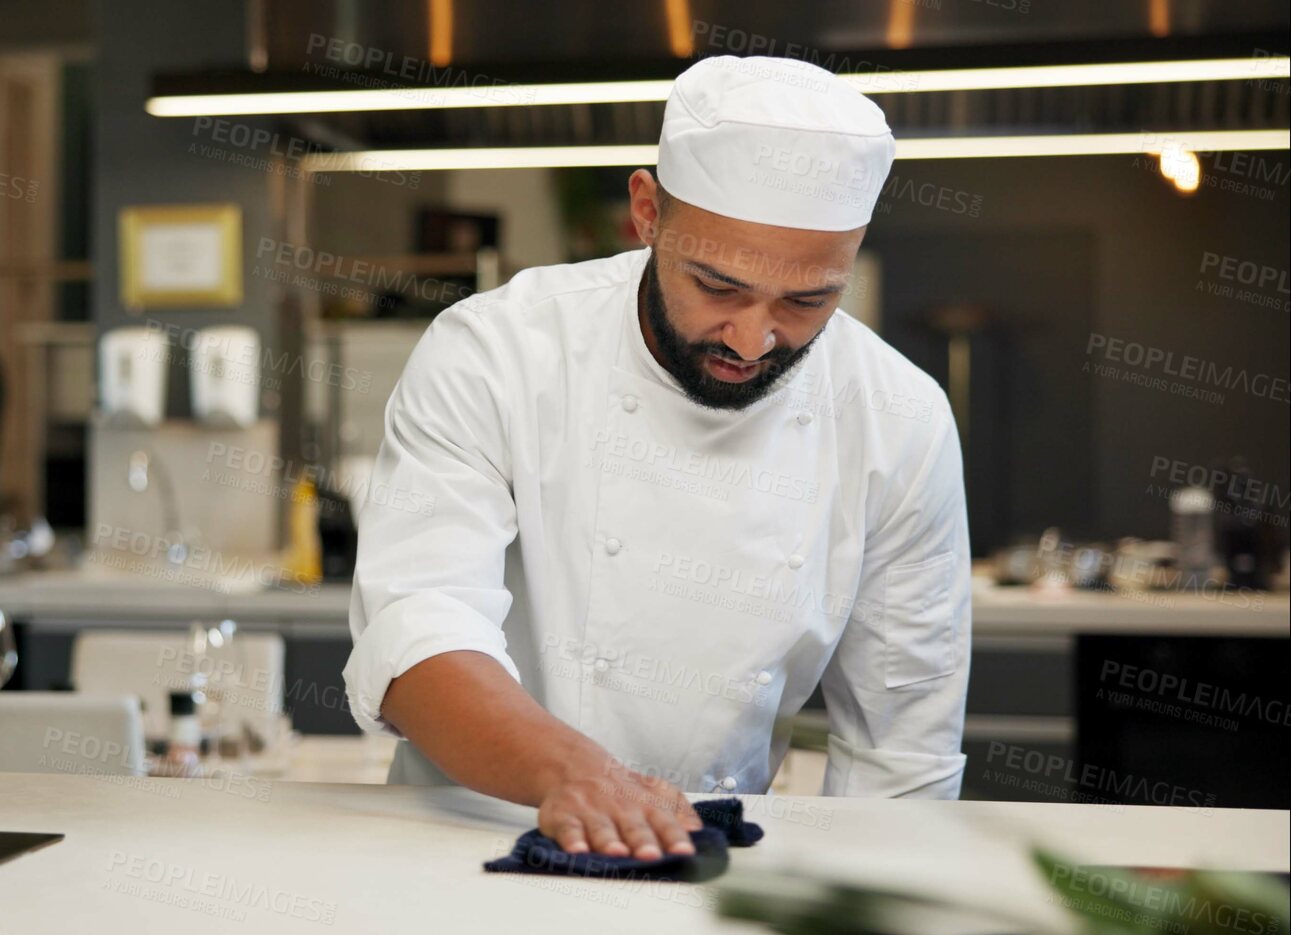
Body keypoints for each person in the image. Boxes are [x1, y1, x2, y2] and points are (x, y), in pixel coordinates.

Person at [344, 55, 969, 861]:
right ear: (646, 214)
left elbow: (901, 752)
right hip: (467, 843)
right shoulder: (497, 351)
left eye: (806, 300)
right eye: (717, 285)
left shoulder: (899, 417)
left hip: (713, 862)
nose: (753, 339)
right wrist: (573, 774)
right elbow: (416, 631)